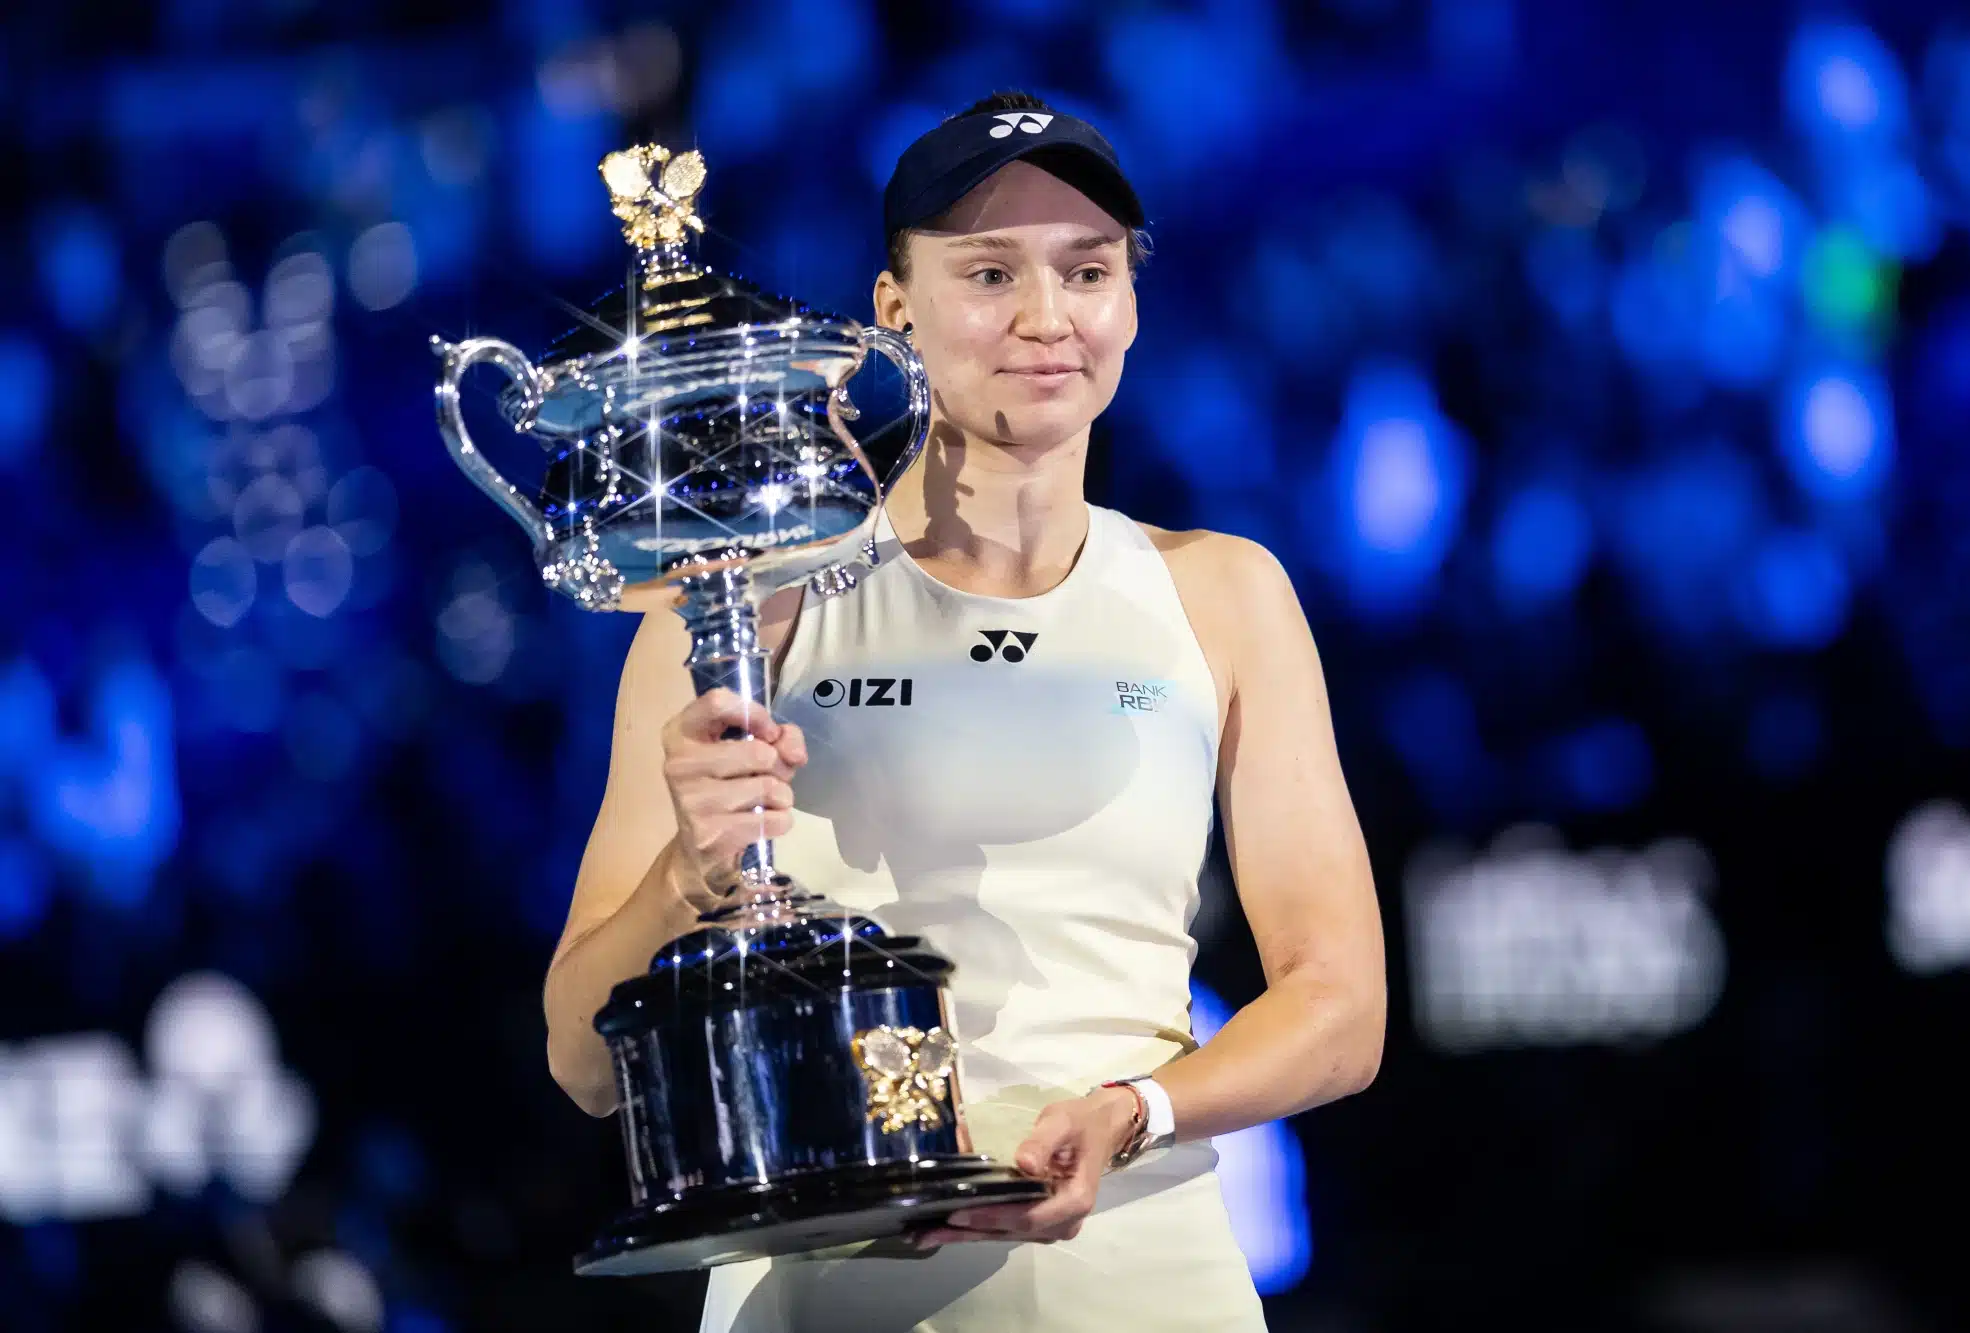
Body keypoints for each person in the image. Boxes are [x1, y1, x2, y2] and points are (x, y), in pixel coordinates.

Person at [542, 92, 1385, 1332]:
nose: (1045, 318)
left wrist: (1134, 1110)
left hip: (1141, 1277)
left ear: (1131, 305)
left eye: (1085, 271)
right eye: (988, 272)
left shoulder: (1223, 595)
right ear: (894, 309)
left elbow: (1342, 1008)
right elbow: (580, 1060)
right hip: (820, 1288)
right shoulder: (730, 609)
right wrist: (689, 876)